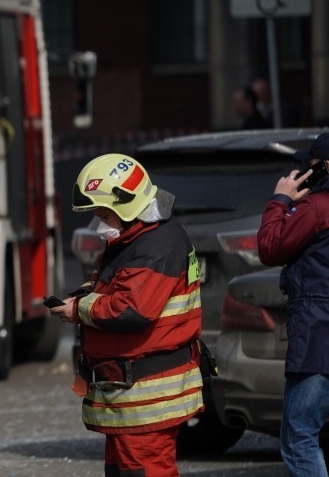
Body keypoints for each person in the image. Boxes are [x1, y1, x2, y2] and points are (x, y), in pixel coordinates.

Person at [48, 153, 204, 476]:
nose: (100, 222)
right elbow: (114, 280)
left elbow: (131, 310)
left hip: (148, 397)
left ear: (127, 206)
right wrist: (85, 292)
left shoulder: (155, 244)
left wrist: (77, 310)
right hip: (130, 398)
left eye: (104, 213)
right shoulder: (137, 236)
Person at [256, 132, 329, 477]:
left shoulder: (317, 207)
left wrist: (280, 200)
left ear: (322, 168)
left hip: (321, 337)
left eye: (308, 168)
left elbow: (270, 248)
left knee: (300, 437)